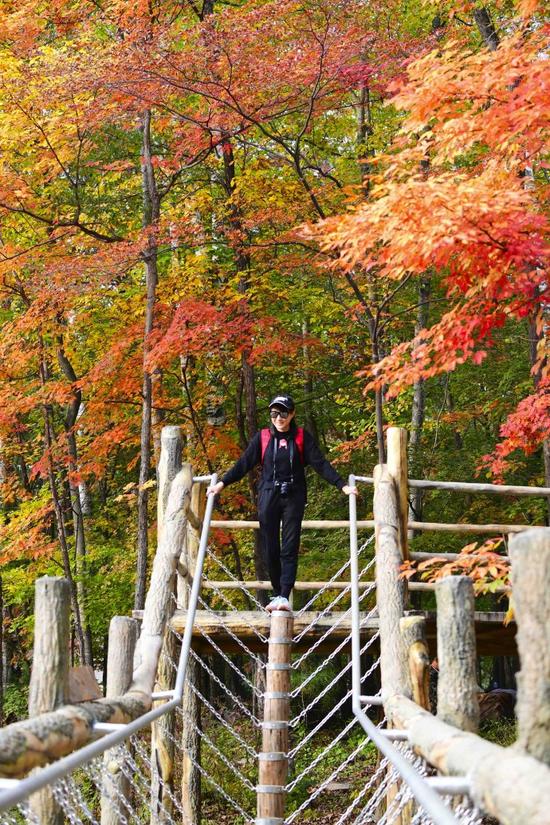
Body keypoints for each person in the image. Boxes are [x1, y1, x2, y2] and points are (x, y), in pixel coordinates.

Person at [208, 394, 358, 612]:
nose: (279, 418)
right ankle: (277, 592)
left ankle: (284, 595)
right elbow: (244, 463)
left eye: (283, 413)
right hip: (269, 494)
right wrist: (222, 483)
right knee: (270, 546)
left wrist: (342, 485)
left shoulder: (301, 437)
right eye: (274, 413)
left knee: (289, 545)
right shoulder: (263, 438)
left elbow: (320, 463)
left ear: (292, 414)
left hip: (294, 495)